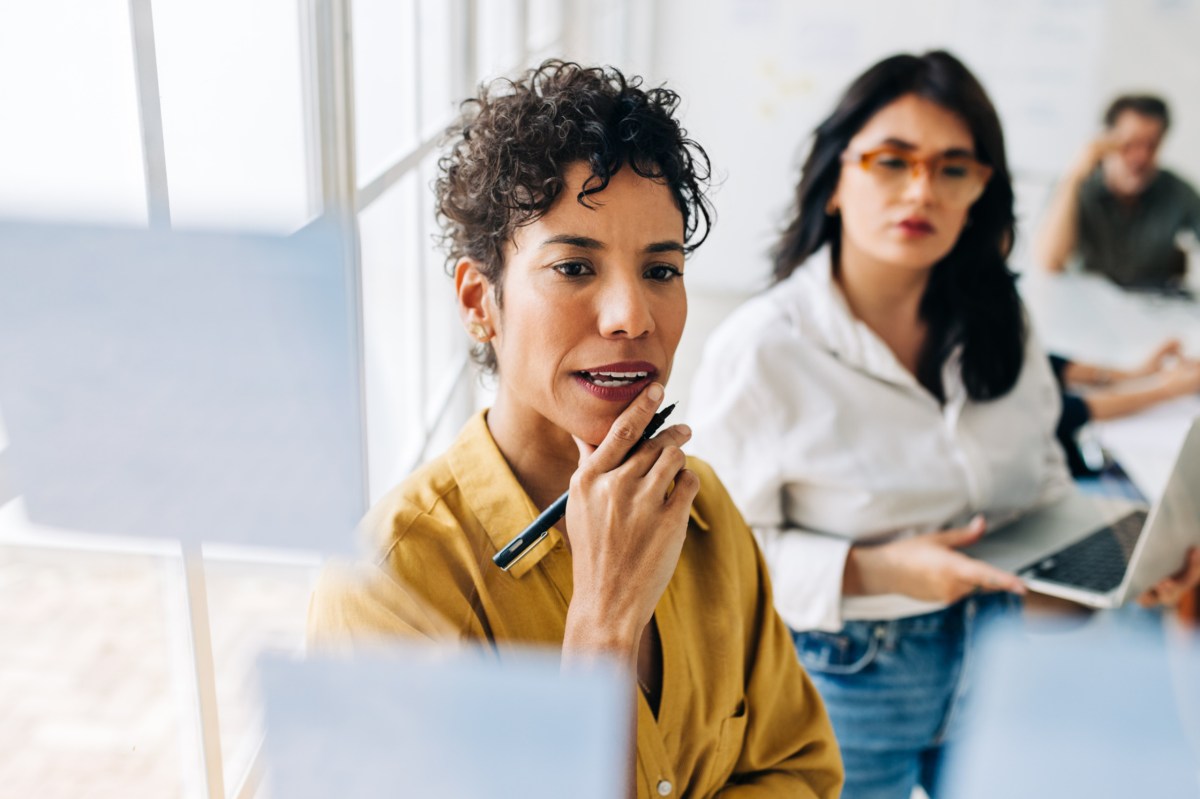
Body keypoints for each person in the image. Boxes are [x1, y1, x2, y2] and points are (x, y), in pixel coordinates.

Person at [307, 61, 843, 799]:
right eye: (573, 267)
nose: (632, 315)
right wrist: (603, 623)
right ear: (479, 301)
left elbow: (801, 770)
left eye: (661, 271)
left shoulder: (703, 506)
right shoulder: (391, 585)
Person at [688, 51, 1200, 799]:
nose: (921, 189)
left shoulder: (1001, 319)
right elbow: (712, 568)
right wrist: (881, 568)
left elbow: (1040, 492)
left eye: (953, 168)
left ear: (979, 192)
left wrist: (1124, 571)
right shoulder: (763, 349)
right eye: (892, 161)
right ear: (836, 180)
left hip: (1001, 655)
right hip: (840, 680)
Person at [1035, 94, 1200, 288]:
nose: (1141, 157)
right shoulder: (1076, 187)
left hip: (1152, 308)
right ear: (1106, 141)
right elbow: (1049, 263)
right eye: (1130, 144)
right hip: (1088, 306)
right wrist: (1075, 176)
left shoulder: (1177, 191)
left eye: (1152, 146)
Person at [1050, 340, 1200, 479]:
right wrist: (1169, 389)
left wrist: (1136, 374)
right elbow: (1071, 411)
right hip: (1071, 472)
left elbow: (1051, 366)